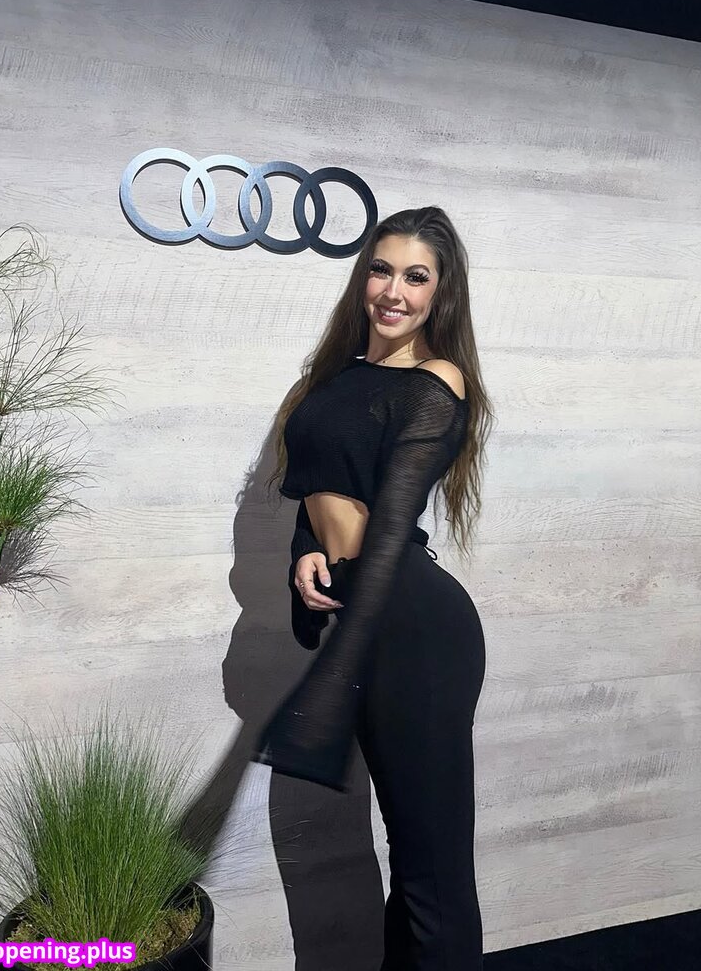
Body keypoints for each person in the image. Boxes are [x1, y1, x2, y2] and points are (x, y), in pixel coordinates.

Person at [256, 205, 494, 970]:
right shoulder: (332, 378)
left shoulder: (437, 380)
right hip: (369, 607)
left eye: (416, 277)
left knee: (431, 871)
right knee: (408, 857)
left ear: (440, 293)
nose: (394, 291)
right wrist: (305, 554)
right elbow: (316, 486)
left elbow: (388, 525)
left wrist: (334, 678)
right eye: (382, 270)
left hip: (415, 625)